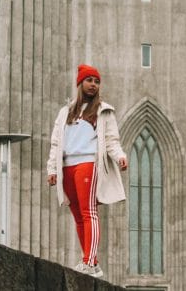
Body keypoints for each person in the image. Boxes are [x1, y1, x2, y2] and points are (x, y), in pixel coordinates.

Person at [47, 64, 128, 278]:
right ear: (80, 83)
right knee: (77, 216)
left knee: (89, 212)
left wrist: (120, 156)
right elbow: (56, 142)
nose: (93, 85)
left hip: (87, 164)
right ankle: (94, 263)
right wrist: (52, 169)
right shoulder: (66, 112)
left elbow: (111, 139)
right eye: (89, 80)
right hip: (67, 167)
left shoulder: (103, 110)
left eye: (97, 81)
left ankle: (89, 261)